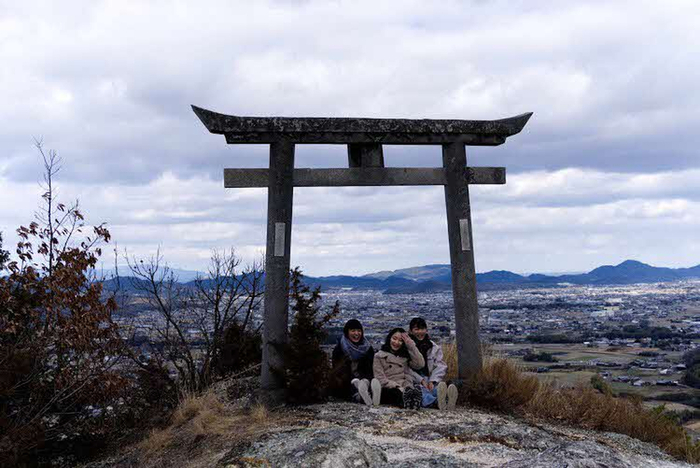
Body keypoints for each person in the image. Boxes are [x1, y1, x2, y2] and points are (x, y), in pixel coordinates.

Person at [407, 317, 458, 410]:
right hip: (413, 379)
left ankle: (446, 399)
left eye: (422, 329)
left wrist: (432, 380)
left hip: (429, 377)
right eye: (416, 329)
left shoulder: (433, 347)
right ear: (410, 331)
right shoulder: (406, 347)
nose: (420, 332)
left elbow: (440, 366)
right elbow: (405, 368)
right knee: (421, 392)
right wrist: (421, 380)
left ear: (426, 330)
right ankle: (437, 402)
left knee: (435, 390)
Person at [372, 327, 425, 409]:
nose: (396, 342)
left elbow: (420, 364)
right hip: (389, 387)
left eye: (400, 340)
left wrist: (411, 346)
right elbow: (380, 378)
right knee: (396, 393)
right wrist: (397, 387)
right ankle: (410, 402)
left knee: (412, 392)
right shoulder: (379, 356)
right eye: (394, 338)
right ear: (389, 338)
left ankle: (412, 401)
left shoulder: (404, 356)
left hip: (405, 386)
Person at [329, 319, 376, 405]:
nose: (356, 333)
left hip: (364, 378)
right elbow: (337, 370)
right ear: (347, 332)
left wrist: (365, 380)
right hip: (346, 381)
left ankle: (364, 392)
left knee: (368, 382)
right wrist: (353, 380)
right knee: (352, 384)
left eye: (359, 331)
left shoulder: (368, 348)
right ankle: (361, 395)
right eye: (353, 330)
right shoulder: (340, 349)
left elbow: (371, 369)